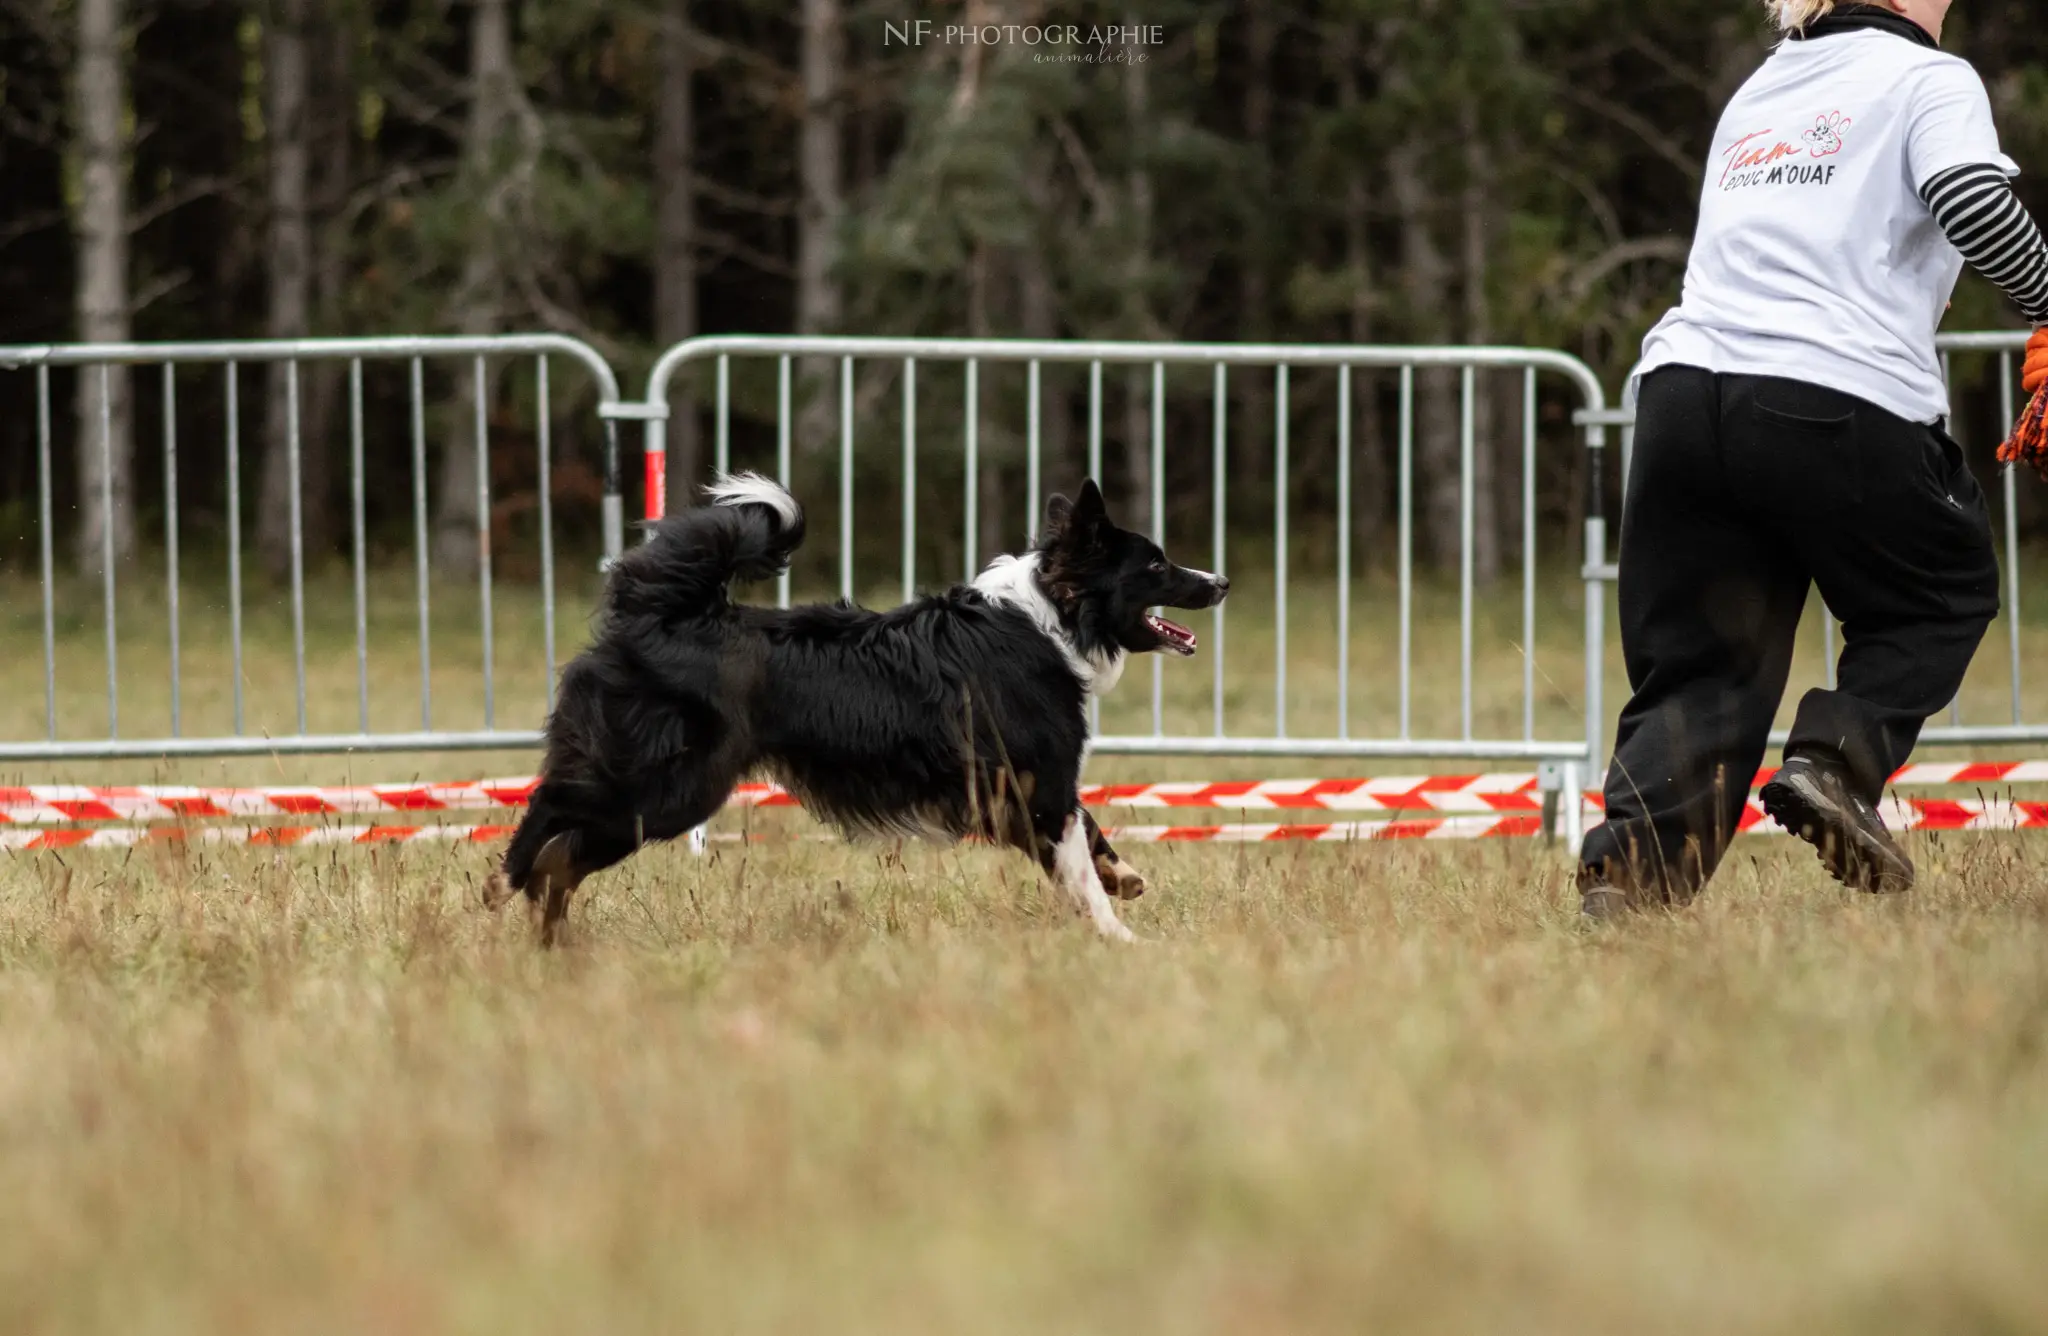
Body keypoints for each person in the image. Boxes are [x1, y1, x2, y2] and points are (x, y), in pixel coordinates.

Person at [1579, 0, 2048, 917]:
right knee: (1942, 590)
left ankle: (1631, 885)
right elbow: (1971, 195)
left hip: (1682, 391)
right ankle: (1835, 764)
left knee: (1703, 660)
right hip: (1830, 392)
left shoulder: (1764, 86)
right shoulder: (1931, 78)